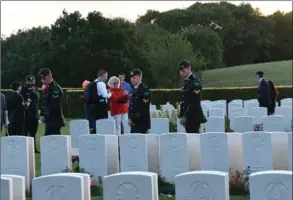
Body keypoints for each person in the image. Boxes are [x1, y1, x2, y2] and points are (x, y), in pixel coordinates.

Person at [178, 59, 207, 133]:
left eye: (184, 70)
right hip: (188, 117)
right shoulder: (186, 82)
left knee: (194, 139)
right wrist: (181, 115)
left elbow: (194, 102)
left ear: (189, 68)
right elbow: (184, 101)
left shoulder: (195, 82)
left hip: (194, 116)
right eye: (181, 71)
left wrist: (185, 116)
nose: (182, 73)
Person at [39, 68, 65, 135]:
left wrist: (44, 116)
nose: (42, 81)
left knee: (51, 140)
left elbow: (54, 106)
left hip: (54, 120)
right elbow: (45, 103)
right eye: (42, 79)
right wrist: (41, 114)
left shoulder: (55, 89)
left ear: (49, 76)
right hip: (50, 120)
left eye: (44, 79)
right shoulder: (48, 88)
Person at [128, 69, 151, 134]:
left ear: (140, 77)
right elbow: (132, 106)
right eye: (131, 78)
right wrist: (130, 118)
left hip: (141, 123)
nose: (131, 79)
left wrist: (132, 119)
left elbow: (143, 107)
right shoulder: (134, 90)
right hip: (133, 123)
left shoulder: (144, 90)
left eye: (134, 77)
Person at [21, 75, 40, 153]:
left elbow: (38, 101)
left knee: (33, 132)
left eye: (32, 81)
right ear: (27, 81)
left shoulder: (36, 89)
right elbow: (22, 102)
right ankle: (25, 148)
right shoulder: (24, 90)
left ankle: (33, 148)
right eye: (29, 81)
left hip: (34, 114)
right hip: (27, 114)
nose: (30, 82)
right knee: (25, 132)